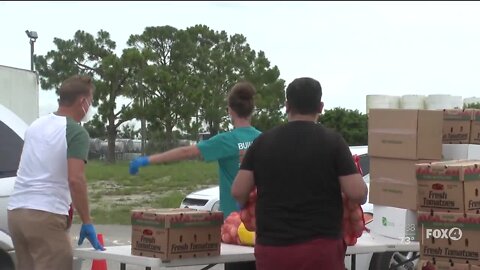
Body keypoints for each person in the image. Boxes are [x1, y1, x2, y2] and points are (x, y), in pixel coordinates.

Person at [231, 77, 368, 270]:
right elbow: (358, 194)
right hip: (320, 250)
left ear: (287, 106)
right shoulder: (333, 142)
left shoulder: (262, 143)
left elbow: (238, 191)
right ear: (320, 107)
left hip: (273, 250)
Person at [129, 80, 260, 270]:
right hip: (261, 225)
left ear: (230, 110)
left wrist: (148, 160)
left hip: (235, 227)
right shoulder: (263, 139)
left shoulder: (226, 141)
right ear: (252, 110)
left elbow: (186, 152)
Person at [7, 75, 105, 270]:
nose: (89, 108)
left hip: (16, 212)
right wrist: (87, 221)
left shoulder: (35, 125)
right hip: (45, 214)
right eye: (91, 102)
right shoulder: (75, 132)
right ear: (82, 101)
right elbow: (76, 179)